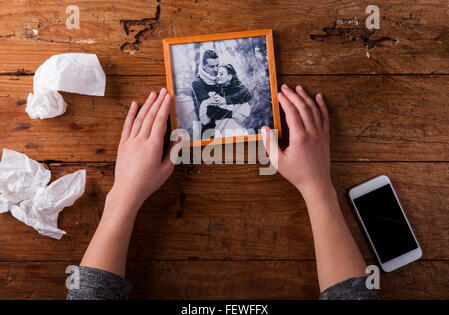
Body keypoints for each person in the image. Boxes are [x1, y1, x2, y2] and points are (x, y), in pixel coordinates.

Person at [66, 85, 378, 300]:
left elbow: (89, 294)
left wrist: (124, 193)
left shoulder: (232, 96)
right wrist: (318, 187)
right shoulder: (204, 97)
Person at [192, 50, 240, 137]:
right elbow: (210, 110)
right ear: (204, 66)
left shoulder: (222, 75)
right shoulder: (197, 82)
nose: (215, 69)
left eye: (217, 65)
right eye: (211, 66)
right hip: (211, 130)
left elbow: (240, 92)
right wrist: (234, 114)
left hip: (230, 126)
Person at [202, 64, 252, 137]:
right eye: (217, 74)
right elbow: (211, 111)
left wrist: (226, 100)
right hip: (221, 132)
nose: (218, 76)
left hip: (237, 131)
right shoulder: (216, 91)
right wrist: (233, 114)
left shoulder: (238, 90)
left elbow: (247, 95)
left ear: (230, 77)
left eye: (221, 74)